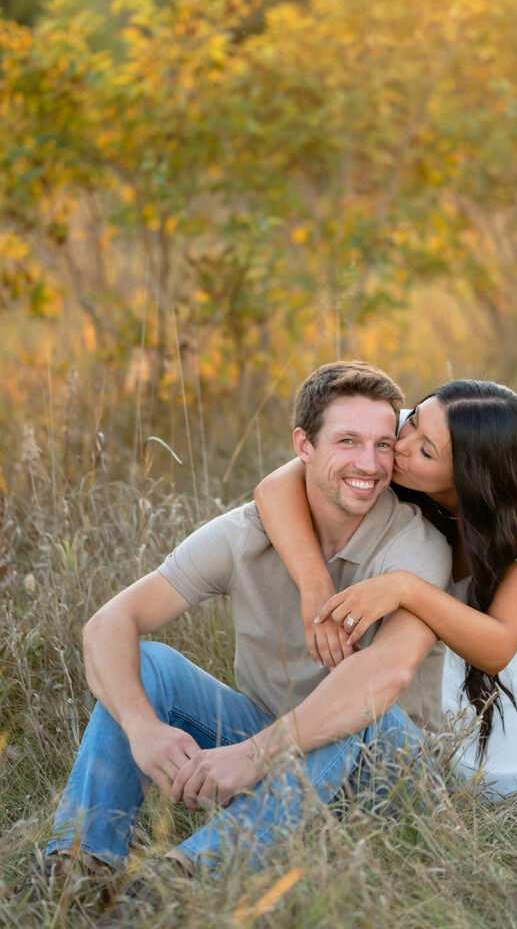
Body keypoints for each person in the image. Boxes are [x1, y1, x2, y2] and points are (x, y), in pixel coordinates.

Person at [18, 361, 452, 918]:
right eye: (347, 441)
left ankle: (175, 885)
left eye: (383, 444)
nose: (368, 464)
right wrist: (142, 727)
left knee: (360, 704)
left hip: (387, 780)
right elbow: (109, 622)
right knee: (148, 665)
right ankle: (79, 868)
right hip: (279, 748)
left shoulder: (416, 545)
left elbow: (385, 675)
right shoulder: (247, 532)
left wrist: (254, 754)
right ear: (304, 445)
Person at [255, 378, 517, 796]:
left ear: (466, 475)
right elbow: (275, 486)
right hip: (461, 626)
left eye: (426, 451)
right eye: (412, 420)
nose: (401, 445)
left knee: (484, 769)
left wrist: (405, 588)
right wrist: (314, 584)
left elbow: (498, 648)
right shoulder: (410, 432)